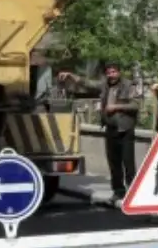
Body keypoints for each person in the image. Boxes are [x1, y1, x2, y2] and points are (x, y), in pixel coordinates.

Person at [58, 62, 139, 204]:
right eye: (109, 72)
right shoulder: (105, 85)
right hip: (111, 129)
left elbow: (136, 105)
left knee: (128, 163)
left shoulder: (128, 86)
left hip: (125, 129)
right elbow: (87, 83)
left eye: (113, 72)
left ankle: (133, 193)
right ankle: (118, 192)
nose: (111, 75)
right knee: (114, 163)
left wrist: (116, 107)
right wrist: (70, 75)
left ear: (119, 72)